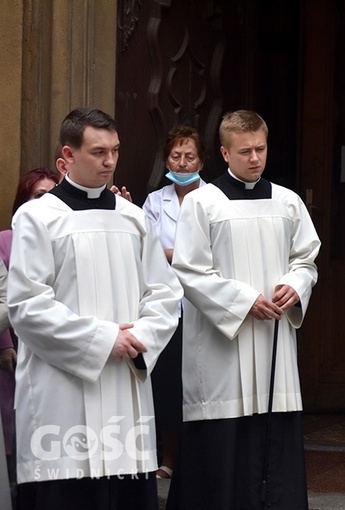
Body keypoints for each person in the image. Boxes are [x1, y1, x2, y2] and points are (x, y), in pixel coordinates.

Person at [7, 107, 183, 510]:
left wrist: (139, 339)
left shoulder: (134, 219)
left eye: (115, 151)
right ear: (66, 156)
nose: (109, 162)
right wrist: (106, 339)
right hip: (63, 389)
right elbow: (27, 305)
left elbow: (165, 293)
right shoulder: (37, 218)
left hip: (124, 384)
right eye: (98, 152)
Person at [168, 110, 320, 509]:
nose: (255, 158)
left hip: (274, 340)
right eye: (245, 151)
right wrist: (242, 300)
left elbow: (306, 258)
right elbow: (189, 270)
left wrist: (296, 284)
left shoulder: (287, 202)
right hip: (223, 348)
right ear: (224, 152)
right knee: (223, 450)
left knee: (274, 432)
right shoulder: (203, 203)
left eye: (261, 149)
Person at [141, 125, 206, 480]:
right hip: (167, 304)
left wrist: (172, 253)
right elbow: (149, 251)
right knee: (167, 384)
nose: (182, 164)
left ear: (203, 160)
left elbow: (209, 254)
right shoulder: (155, 201)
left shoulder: (213, 199)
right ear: (166, 159)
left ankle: (197, 459)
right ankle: (168, 457)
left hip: (203, 307)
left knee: (199, 382)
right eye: (176, 157)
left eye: (189, 157)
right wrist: (186, 253)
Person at [0, 167, 60, 504]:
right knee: (13, 430)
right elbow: (4, 297)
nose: (46, 202)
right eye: (39, 195)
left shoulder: (65, 236)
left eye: (53, 194)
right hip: (14, 352)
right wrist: (4, 343)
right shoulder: (5, 240)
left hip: (53, 350)